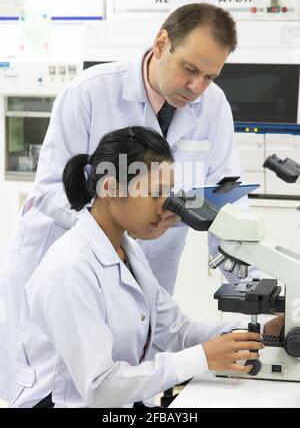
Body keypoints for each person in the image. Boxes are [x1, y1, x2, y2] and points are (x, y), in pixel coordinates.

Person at [0, 3, 259, 401]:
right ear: (161, 43)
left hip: (131, 256)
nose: (197, 88)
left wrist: (248, 292)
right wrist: (109, 238)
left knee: (138, 363)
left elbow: (225, 197)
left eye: (210, 76)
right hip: (78, 266)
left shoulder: (213, 105)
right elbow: (53, 190)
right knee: (69, 379)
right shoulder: (89, 93)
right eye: (190, 70)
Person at [9, 127, 264, 408]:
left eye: (169, 194)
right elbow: (99, 388)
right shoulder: (71, 268)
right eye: (155, 194)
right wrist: (202, 357)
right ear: (110, 188)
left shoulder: (128, 253)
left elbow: (177, 332)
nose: (167, 208)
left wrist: (256, 334)